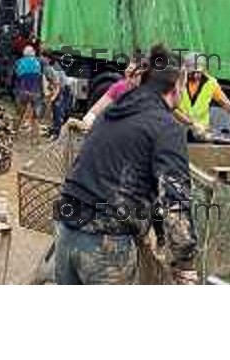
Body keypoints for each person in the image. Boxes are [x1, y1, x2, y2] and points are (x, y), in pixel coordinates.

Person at [55, 43, 198, 285]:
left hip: (66, 234)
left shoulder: (116, 111)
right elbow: (176, 205)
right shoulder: (166, 127)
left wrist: (155, 232)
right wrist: (185, 265)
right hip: (105, 248)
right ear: (176, 86)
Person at [80, 59, 143, 131]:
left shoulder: (146, 93)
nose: (130, 81)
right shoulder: (119, 87)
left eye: (135, 76)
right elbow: (98, 107)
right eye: (129, 74)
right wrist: (89, 118)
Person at [13, 45, 44, 141]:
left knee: (19, 114)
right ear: (33, 53)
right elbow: (41, 78)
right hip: (36, 92)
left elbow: (15, 77)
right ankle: (35, 139)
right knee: (35, 118)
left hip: (22, 91)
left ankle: (15, 136)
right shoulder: (38, 62)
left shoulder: (19, 62)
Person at [41, 50, 72, 139]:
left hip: (63, 88)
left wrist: (54, 96)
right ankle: (54, 129)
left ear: (48, 58)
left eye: (42, 57)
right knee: (55, 109)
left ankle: (57, 133)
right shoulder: (48, 66)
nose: (41, 59)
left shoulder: (52, 68)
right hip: (60, 87)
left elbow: (58, 85)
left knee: (58, 109)